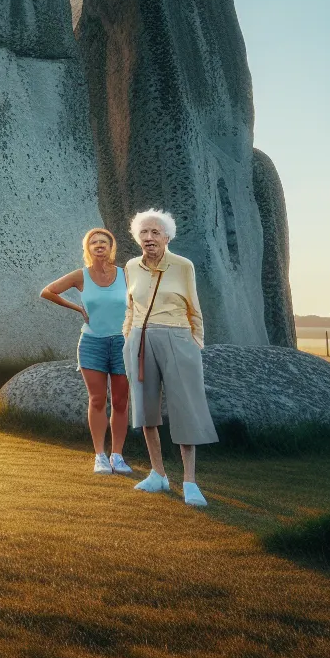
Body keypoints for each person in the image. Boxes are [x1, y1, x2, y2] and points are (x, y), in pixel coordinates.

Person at [122, 209, 218, 507]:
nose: (149, 237)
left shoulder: (182, 266)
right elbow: (129, 305)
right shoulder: (131, 266)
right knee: (145, 409)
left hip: (178, 337)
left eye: (155, 232)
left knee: (184, 408)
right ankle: (158, 474)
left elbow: (194, 308)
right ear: (137, 238)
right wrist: (128, 337)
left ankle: (190, 481)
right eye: (143, 233)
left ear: (167, 237)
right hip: (139, 338)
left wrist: (195, 343)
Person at [40, 228, 133, 475]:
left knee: (122, 401)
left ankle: (118, 456)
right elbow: (48, 291)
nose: (99, 244)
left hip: (123, 343)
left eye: (104, 241)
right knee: (97, 399)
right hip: (92, 343)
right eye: (94, 242)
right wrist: (77, 308)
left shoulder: (127, 274)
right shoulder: (81, 276)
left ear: (111, 247)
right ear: (88, 248)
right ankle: (100, 456)